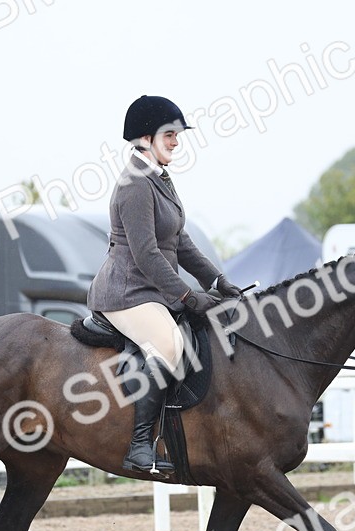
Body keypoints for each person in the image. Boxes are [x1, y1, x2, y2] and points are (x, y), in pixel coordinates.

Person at [87, 95, 243, 475]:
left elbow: (180, 242)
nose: (176, 142)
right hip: (126, 294)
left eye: (176, 135)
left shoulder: (159, 179)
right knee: (169, 346)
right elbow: (146, 255)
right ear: (145, 138)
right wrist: (188, 296)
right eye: (169, 134)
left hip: (149, 291)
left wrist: (219, 281)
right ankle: (139, 445)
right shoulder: (135, 185)